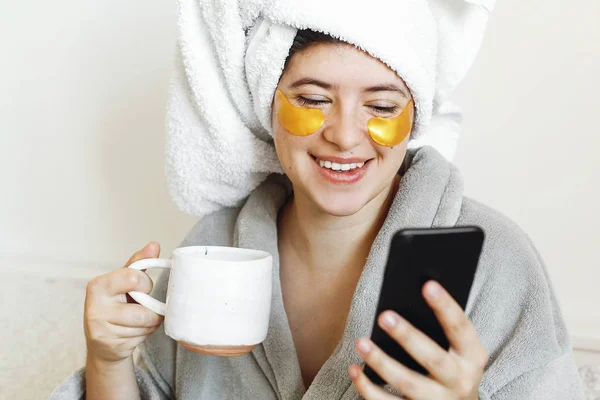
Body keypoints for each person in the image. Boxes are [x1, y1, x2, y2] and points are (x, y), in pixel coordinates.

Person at [51, 2, 586, 400]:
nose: (346, 136)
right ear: (268, 102)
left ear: (413, 118)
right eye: (311, 99)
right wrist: (108, 361)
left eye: (381, 105)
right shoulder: (214, 248)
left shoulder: (499, 263)